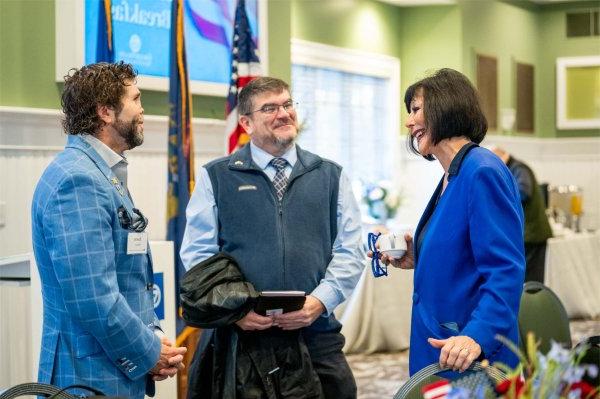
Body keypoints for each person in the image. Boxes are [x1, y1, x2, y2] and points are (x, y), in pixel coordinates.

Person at [180, 76, 365, 398]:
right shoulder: (217, 176)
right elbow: (199, 256)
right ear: (246, 122)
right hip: (241, 338)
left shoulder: (329, 175)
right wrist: (234, 310)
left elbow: (350, 249)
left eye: (288, 104)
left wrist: (320, 301)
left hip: (314, 333)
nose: (284, 113)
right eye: (270, 108)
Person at [31, 62, 186, 398]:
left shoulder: (102, 171)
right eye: (136, 99)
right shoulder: (78, 180)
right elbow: (94, 298)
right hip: (87, 377)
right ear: (105, 112)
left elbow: (126, 280)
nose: (143, 110)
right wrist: (149, 353)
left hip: (109, 370)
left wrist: (153, 337)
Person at [375, 69, 525, 376]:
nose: (409, 121)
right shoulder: (452, 173)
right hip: (443, 346)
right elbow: (463, 252)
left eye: (416, 109)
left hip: (471, 353)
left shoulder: (481, 171)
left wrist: (476, 336)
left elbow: (505, 270)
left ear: (445, 106)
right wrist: (415, 254)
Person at [491, 147, 553, 283]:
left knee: (530, 280)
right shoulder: (514, 169)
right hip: (529, 233)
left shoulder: (519, 168)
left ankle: (531, 304)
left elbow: (524, 191)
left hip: (532, 234)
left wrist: (498, 196)